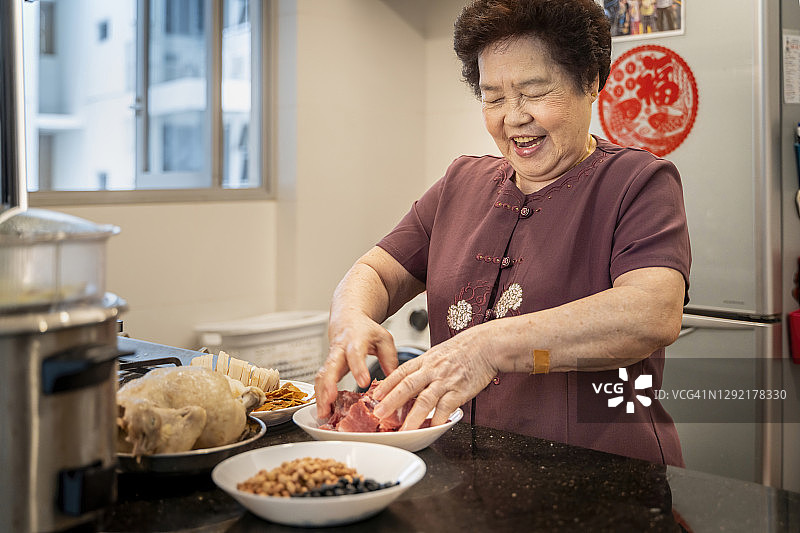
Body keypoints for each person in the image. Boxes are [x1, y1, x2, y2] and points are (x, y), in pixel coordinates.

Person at [315, 0, 690, 467]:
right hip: (467, 478)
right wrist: (350, 320)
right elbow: (377, 271)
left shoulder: (638, 183)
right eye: (493, 98)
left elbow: (652, 313)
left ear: (591, 82)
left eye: (534, 93)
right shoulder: (460, 183)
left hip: (606, 480)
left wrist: (487, 347)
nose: (512, 117)